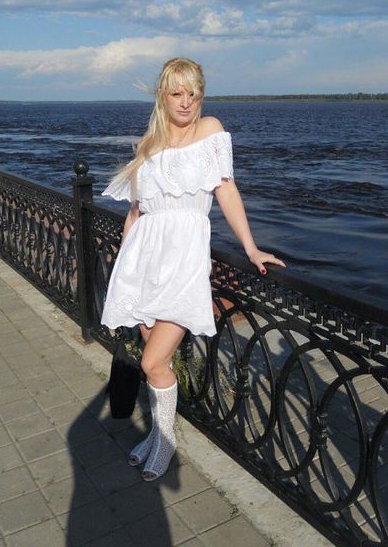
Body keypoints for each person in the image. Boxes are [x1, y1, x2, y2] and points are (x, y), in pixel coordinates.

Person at [100, 57, 286, 481]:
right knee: (156, 363)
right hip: (142, 261)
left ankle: (166, 443)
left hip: (183, 262)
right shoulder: (148, 145)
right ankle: (156, 436)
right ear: (163, 96)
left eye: (194, 94)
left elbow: (226, 189)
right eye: (177, 93)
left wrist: (251, 248)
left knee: (153, 362)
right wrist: (123, 267)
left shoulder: (210, 131)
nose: (186, 102)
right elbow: (136, 212)